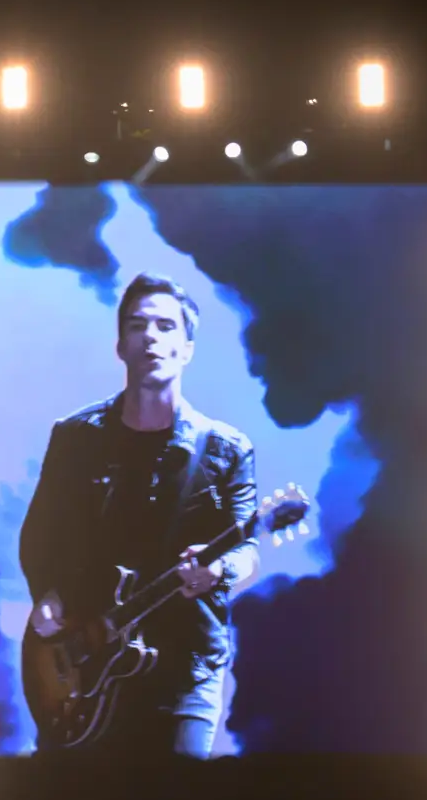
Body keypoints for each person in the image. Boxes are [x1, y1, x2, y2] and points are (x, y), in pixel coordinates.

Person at [18, 274, 260, 755]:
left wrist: (218, 571)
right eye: (137, 326)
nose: (151, 336)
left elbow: (248, 552)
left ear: (187, 348)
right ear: (121, 346)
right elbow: (38, 537)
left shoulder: (226, 449)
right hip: (85, 658)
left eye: (167, 326)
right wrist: (46, 595)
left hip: (186, 665)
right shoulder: (75, 439)